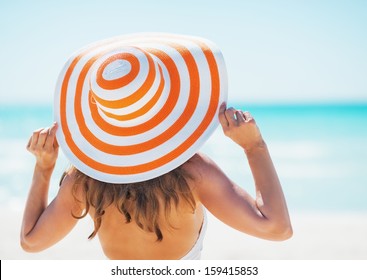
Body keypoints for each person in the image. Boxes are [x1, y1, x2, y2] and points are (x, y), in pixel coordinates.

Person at [20, 34, 292, 260]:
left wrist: (44, 168)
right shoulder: (194, 174)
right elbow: (277, 228)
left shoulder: (83, 181)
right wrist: (254, 147)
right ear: (166, 102)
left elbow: (31, 242)